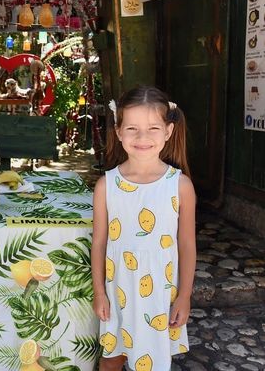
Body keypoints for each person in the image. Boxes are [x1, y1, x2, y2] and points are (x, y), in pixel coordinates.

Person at [91, 85, 196, 370]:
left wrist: (184, 296)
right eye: (132, 128)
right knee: (112, 358)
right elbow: (99, 242)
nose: (142, 137)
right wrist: (99, 291)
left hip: (160, 295)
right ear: (118, 130)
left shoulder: (180, 185)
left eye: (152, 128)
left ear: (168, 131)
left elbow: (186, 245)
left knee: (153, 361)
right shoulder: (106, 186)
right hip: (117, 292)